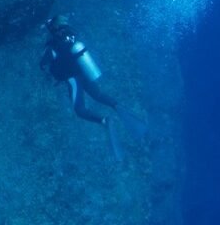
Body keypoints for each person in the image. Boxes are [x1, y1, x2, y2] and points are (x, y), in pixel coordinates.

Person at [39, 15, 147, 159]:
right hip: (84, 72)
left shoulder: (52, 45)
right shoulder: (71, 35)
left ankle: (104, 121)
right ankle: (117, 106)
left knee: (79, 110)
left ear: (52, 28)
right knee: (98, 95)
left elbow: (43, 64)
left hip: (73, 78)